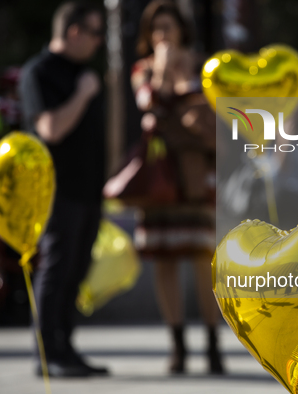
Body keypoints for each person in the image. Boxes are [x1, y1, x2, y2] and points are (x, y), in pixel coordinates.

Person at [103, 0, 223, 374]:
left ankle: (213, 343)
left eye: (168, 28)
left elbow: (211, 112)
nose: (162, 36)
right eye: (156, 30)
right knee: (165, 260)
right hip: (159, 176)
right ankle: (177, 344)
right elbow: (148, 105)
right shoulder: (142, 69)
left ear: (182, 29)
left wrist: (184, 76)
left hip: (195, 175)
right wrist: (161, 68)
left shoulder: (204, 66)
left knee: (205, 260)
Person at [19, 2, 107, 377]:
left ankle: (66, 347)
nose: (99, 42)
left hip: (88, 189)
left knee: (77, 268)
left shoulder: (83, 72)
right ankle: (45, 351)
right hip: (57, 189)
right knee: (56, 267)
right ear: (73, 32)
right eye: (95, 33)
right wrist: (83, 94)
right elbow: (50, 129)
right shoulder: (39, 72)